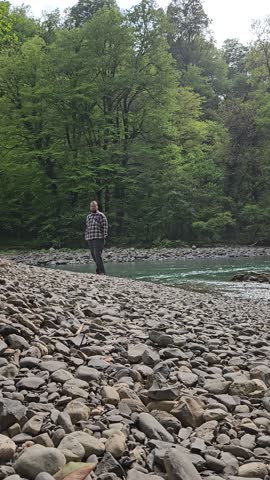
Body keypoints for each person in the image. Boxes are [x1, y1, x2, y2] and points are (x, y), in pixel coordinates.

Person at [85, 201, 108, 275]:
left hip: (99, 238)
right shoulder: (88, 216)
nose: (93, 207)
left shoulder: (101, 215)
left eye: (94, 206)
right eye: (91, 206)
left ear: (97, 206)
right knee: (93, 255)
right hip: (90, 238)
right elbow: (87, 227)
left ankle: (102, 272)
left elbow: (105, 226)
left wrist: (104, 237)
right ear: (90, 207)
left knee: (97, 254)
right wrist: (86, 236)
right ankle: (98, 271)